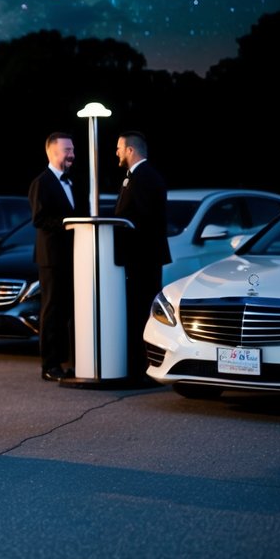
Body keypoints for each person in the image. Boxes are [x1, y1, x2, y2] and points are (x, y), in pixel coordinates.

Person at [113, 131, 171, 383]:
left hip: (142, 259)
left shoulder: (143, 178)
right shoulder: (140, 177)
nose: (116, 152)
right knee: (139, 310)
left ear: (130, 150)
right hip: (143, 257)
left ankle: (141, 368)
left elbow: (143, 220)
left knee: (140, 312)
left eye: (118, 148)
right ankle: (139, 366)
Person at [28, 132, 86, 383]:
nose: (71, 154)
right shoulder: (41, 182)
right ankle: (49, 365)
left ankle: (74, 362)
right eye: (66, 150)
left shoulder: (74, 182)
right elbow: (39, 219)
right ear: (51, 153)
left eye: (72, 149)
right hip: (52, 259)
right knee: (52, 311)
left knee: (72, 312)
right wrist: (69, 224)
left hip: (75, 257)